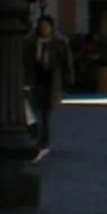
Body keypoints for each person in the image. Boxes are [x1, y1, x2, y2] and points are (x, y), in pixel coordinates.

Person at [29, 15, 75, 157]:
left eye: (46, 26)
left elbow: (67, 62)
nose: (43, 29)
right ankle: (38, 137)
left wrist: (68, 81)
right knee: (34, 111)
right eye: (41, 26)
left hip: (51, 79)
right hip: (35, 77)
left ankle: (44, 141)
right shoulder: (31, 40)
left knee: (45, 113)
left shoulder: (59, 41)